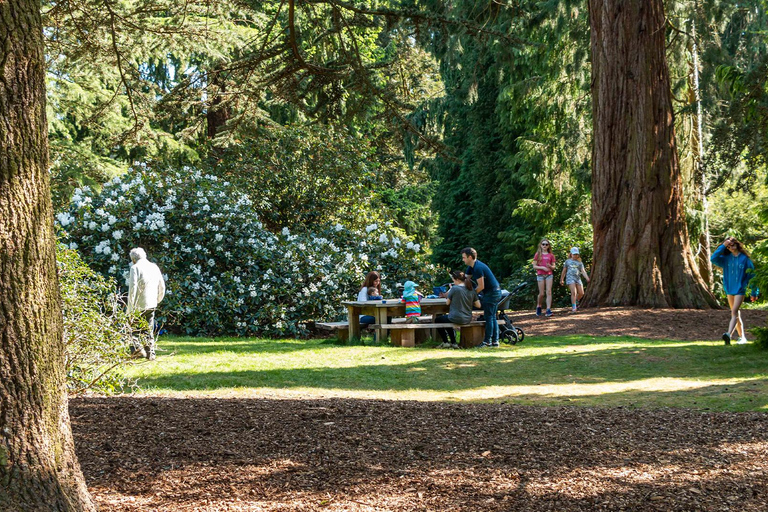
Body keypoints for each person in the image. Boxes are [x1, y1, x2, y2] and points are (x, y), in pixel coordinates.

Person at [711, 236, 755, 345]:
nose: (731, 246)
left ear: (737, 244)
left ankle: (728, 334)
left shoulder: (745, 259)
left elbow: (753, 276)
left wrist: (754, 292)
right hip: (729, 289)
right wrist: (723, 245)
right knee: (736, 314)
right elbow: (713, 258)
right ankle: (742, 337)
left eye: (733, 244)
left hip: (740, 289)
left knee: (734, 312)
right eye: (729, 246)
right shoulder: (725, 259)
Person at [127, 247, 166, 360]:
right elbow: (162, 286)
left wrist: (130, 308)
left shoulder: (135, 268)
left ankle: (137, 351)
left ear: (133, 259)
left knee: (133, 330)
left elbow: (132, 289)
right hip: (151, 303)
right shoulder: (154, 267)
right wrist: (158, 299)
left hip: (139, 304)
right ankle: (151, 353)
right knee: (148, 329)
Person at [462, 247, 501, 347]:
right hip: (491, 293)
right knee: (492, 317)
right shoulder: (471, 267)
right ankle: (495, 341)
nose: (463, 260)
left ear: (470, 257)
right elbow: (465, 280)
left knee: (489, 317)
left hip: (492, 293)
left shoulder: (478, 267)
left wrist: (471, 296)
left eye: (464, 257)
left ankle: (487, 341)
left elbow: (481, 286)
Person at [434, 270, 481, 348]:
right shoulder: (471, 289)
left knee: (438, 320)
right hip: (467, 318)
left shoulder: (455, 289)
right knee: (446, 320)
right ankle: (453, 343)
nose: (453, 282)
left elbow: (447, 303)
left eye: (454, 280)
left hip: (455, 317)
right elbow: (478, 305)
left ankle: (446, 341)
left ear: (458, 280)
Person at [560, 247, 590, 313]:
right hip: (570, 278)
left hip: (578, 278)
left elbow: (583, 271)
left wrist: (587, 278)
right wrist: (561, 279)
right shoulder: (567, 262)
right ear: (571, 254)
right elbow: (564, 271)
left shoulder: (579, 262)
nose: (575, 256)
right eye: (574, 254)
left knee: (581, 293)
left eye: (576, 254)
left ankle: (576, 301)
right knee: (574, 292)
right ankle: (574, 307)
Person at [532, 239, 556, 317]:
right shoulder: (537, 254)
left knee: (549, 291)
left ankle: (548, 309)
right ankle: (539, 306)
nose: (545, 246)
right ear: (540, 245)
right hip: (540, 275)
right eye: (543, 244)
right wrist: (542, 267)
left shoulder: (551, 255)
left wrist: (550, 266)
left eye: (546, 244)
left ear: (549, 246)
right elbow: (534, 266)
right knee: (541, 293)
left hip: (549, 275)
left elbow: (554, 266)